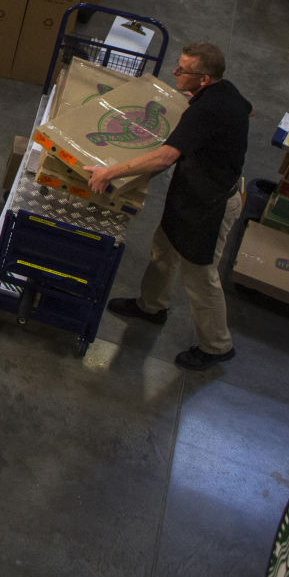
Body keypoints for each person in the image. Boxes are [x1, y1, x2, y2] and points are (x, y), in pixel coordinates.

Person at [93, 42, 251, 371]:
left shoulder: (207, 110)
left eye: (183, 70)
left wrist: (110, 171)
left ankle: (217, 345)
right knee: (163, 247)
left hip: (212, 204)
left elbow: (165, 157)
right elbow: (248, 109)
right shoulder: (225, 92)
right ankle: (151, 306)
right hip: (192, 193)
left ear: (205, 79)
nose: (175, 73)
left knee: (200, 275)